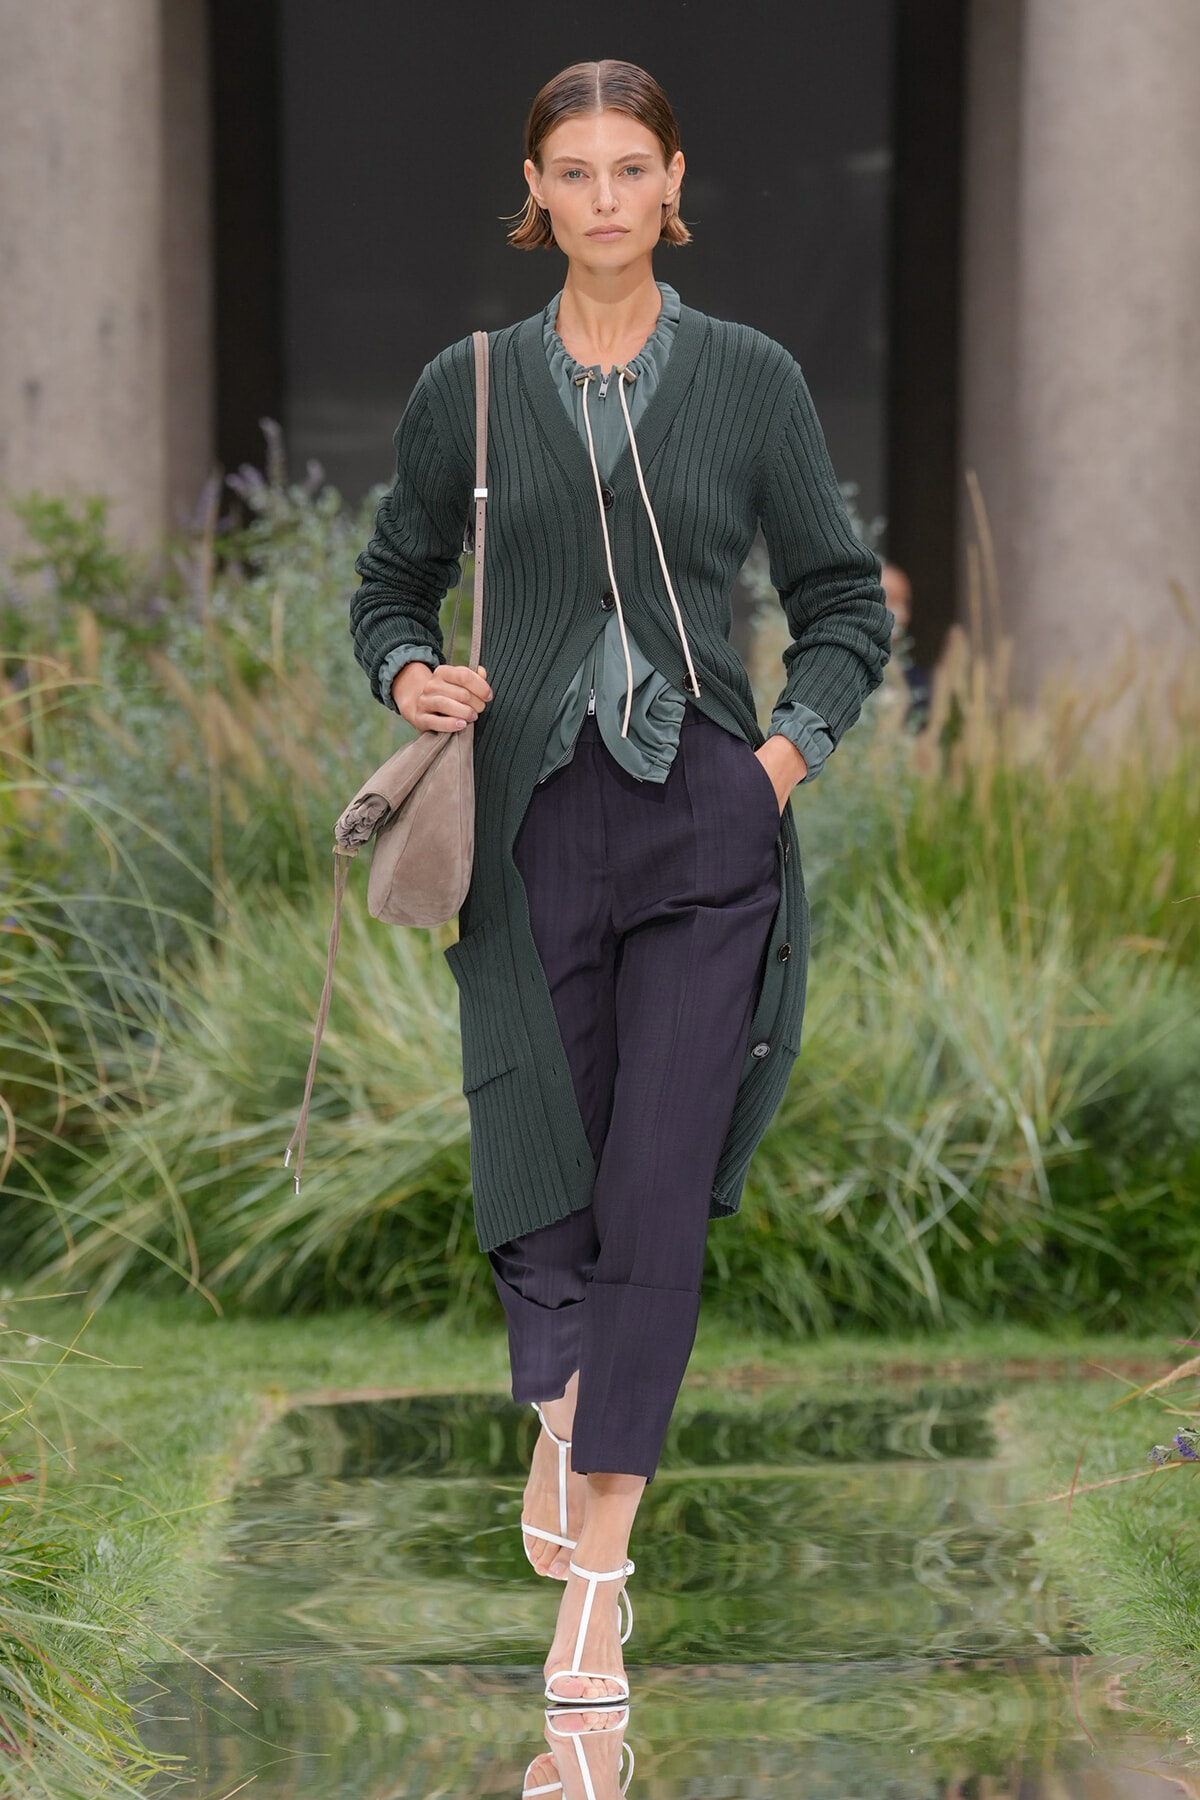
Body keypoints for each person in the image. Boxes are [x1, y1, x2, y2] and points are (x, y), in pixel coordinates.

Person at [349, 59, 893, 1709]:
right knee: (543, 1154)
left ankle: (599, 1580)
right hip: (524, 826)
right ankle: (564, 1405)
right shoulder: (473, 389)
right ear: (536, 191)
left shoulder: (749, 381)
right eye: (571, 171)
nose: (602, 199)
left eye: (629, 170)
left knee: (658, 1185)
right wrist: (409, 678)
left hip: (702, 830)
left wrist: (778, 761)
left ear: (672, 188)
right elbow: (391, 582)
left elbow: (842, 599)